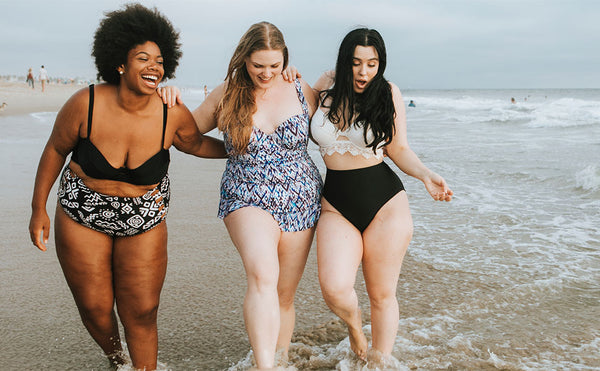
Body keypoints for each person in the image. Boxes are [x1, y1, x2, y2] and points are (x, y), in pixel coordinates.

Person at [28, 4, 226, 370]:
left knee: (142, 310)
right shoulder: (85, 104)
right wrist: (37, 208)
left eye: (160, 60)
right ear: (120, 64)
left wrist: (240, 148)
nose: (155, 67)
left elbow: (196, 143)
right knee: (95, 307)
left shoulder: (171, 114)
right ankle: (118, 359)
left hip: (144, 218)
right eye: (143, 58)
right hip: (81, 212)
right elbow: (56, 149)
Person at [161, 21, 322, 369]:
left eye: (274, 65)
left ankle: (278, 360)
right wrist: (169, 99)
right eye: (258, 65)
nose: (266, 73)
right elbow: (186, 134)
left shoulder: (299, 88)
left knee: (283, 295)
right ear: (244, 59)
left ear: (285, 61)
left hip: (301, 196)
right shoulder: (227, 93)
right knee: (263, 275)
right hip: (245, 192)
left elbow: (335, 119)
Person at [310, 28, 453, 365]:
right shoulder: (325, 88)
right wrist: (293, 74)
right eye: (357, 63)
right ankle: (355, 327)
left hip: (385, 204)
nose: (364, 72)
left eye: (372, 64)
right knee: (334, 286)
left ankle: (380, 361)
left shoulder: (388, 93)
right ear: (345, 61)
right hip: (335, 205)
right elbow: (291, 99)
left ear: (380, 64)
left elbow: (398, 147)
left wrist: (425, 175)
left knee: (382, 294)